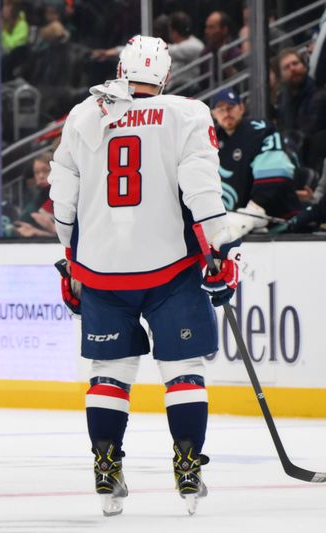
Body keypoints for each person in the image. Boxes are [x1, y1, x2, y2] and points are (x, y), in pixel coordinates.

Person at [48, 36, 241, 517]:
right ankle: (188, 464)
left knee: (110, 375)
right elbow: (201, 185)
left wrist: (70, 257)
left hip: (100, 269)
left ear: (119, 67)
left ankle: (106, 466)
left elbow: (62, 198)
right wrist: (217, 246)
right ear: (167, 76)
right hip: (168, 268)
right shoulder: (186, 112)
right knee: (182, 371)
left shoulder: (84, 114)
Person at [210, 88, 301, 236]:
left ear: (241, 108)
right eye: (220, 109)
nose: (226, 113)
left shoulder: (261, 130)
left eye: (230, 107)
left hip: (278, 224)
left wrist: (254, 210)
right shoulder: (210, 141)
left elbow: (276, 173)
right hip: (237, 226)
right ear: (213, 114)